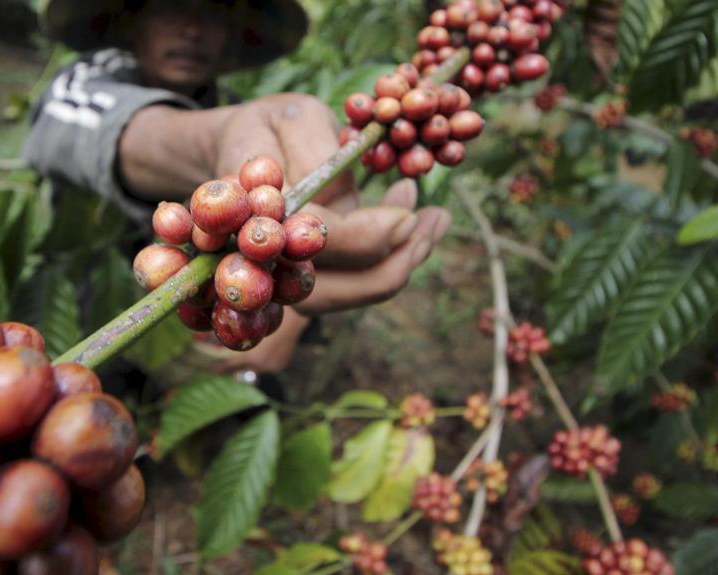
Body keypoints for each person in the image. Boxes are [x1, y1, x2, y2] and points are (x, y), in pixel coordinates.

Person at [23, 0, 451, 374]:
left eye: (214, 10)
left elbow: (292, 238)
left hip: (207, 324)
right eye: (172, 6)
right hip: (99, 305)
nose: (192, 28)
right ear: (133, 17)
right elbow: (94, 132)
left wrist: (290, 302)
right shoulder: (82, 81)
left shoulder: (225, 98)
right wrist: (219, 135)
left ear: (231, 32)